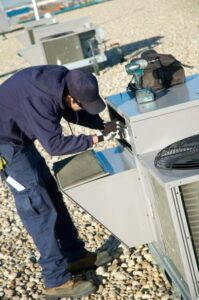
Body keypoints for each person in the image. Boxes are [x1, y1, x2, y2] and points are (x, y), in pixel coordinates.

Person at [0, 65, 120, 299]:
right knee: (38, 207)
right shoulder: (39, 98)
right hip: (4, 146)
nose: (83, 108)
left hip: (19, 140)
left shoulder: (67, 80)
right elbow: (54, 145)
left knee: (52, 195)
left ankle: (75, 257)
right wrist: (95, 138)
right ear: (69, 96)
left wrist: (100, 124)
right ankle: (56, 281)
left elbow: (71, 110)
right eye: (81, 103)